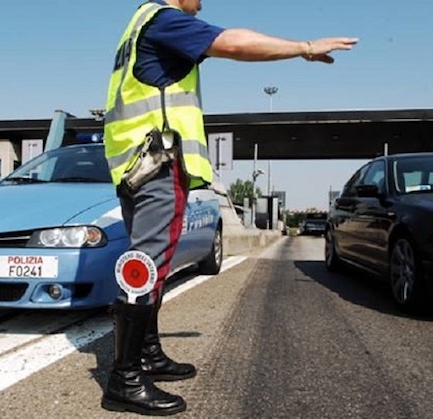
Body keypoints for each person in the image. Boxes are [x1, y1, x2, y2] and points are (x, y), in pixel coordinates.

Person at [102, 0, 358, 415]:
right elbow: (234, 43)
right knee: (144, 268)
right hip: (157, 163)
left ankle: (147, 355)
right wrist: (305, 47)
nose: (202, 2)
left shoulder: (138, 25)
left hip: (135, 165)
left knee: (152, 265)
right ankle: (124, 379)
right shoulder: (164, 20)